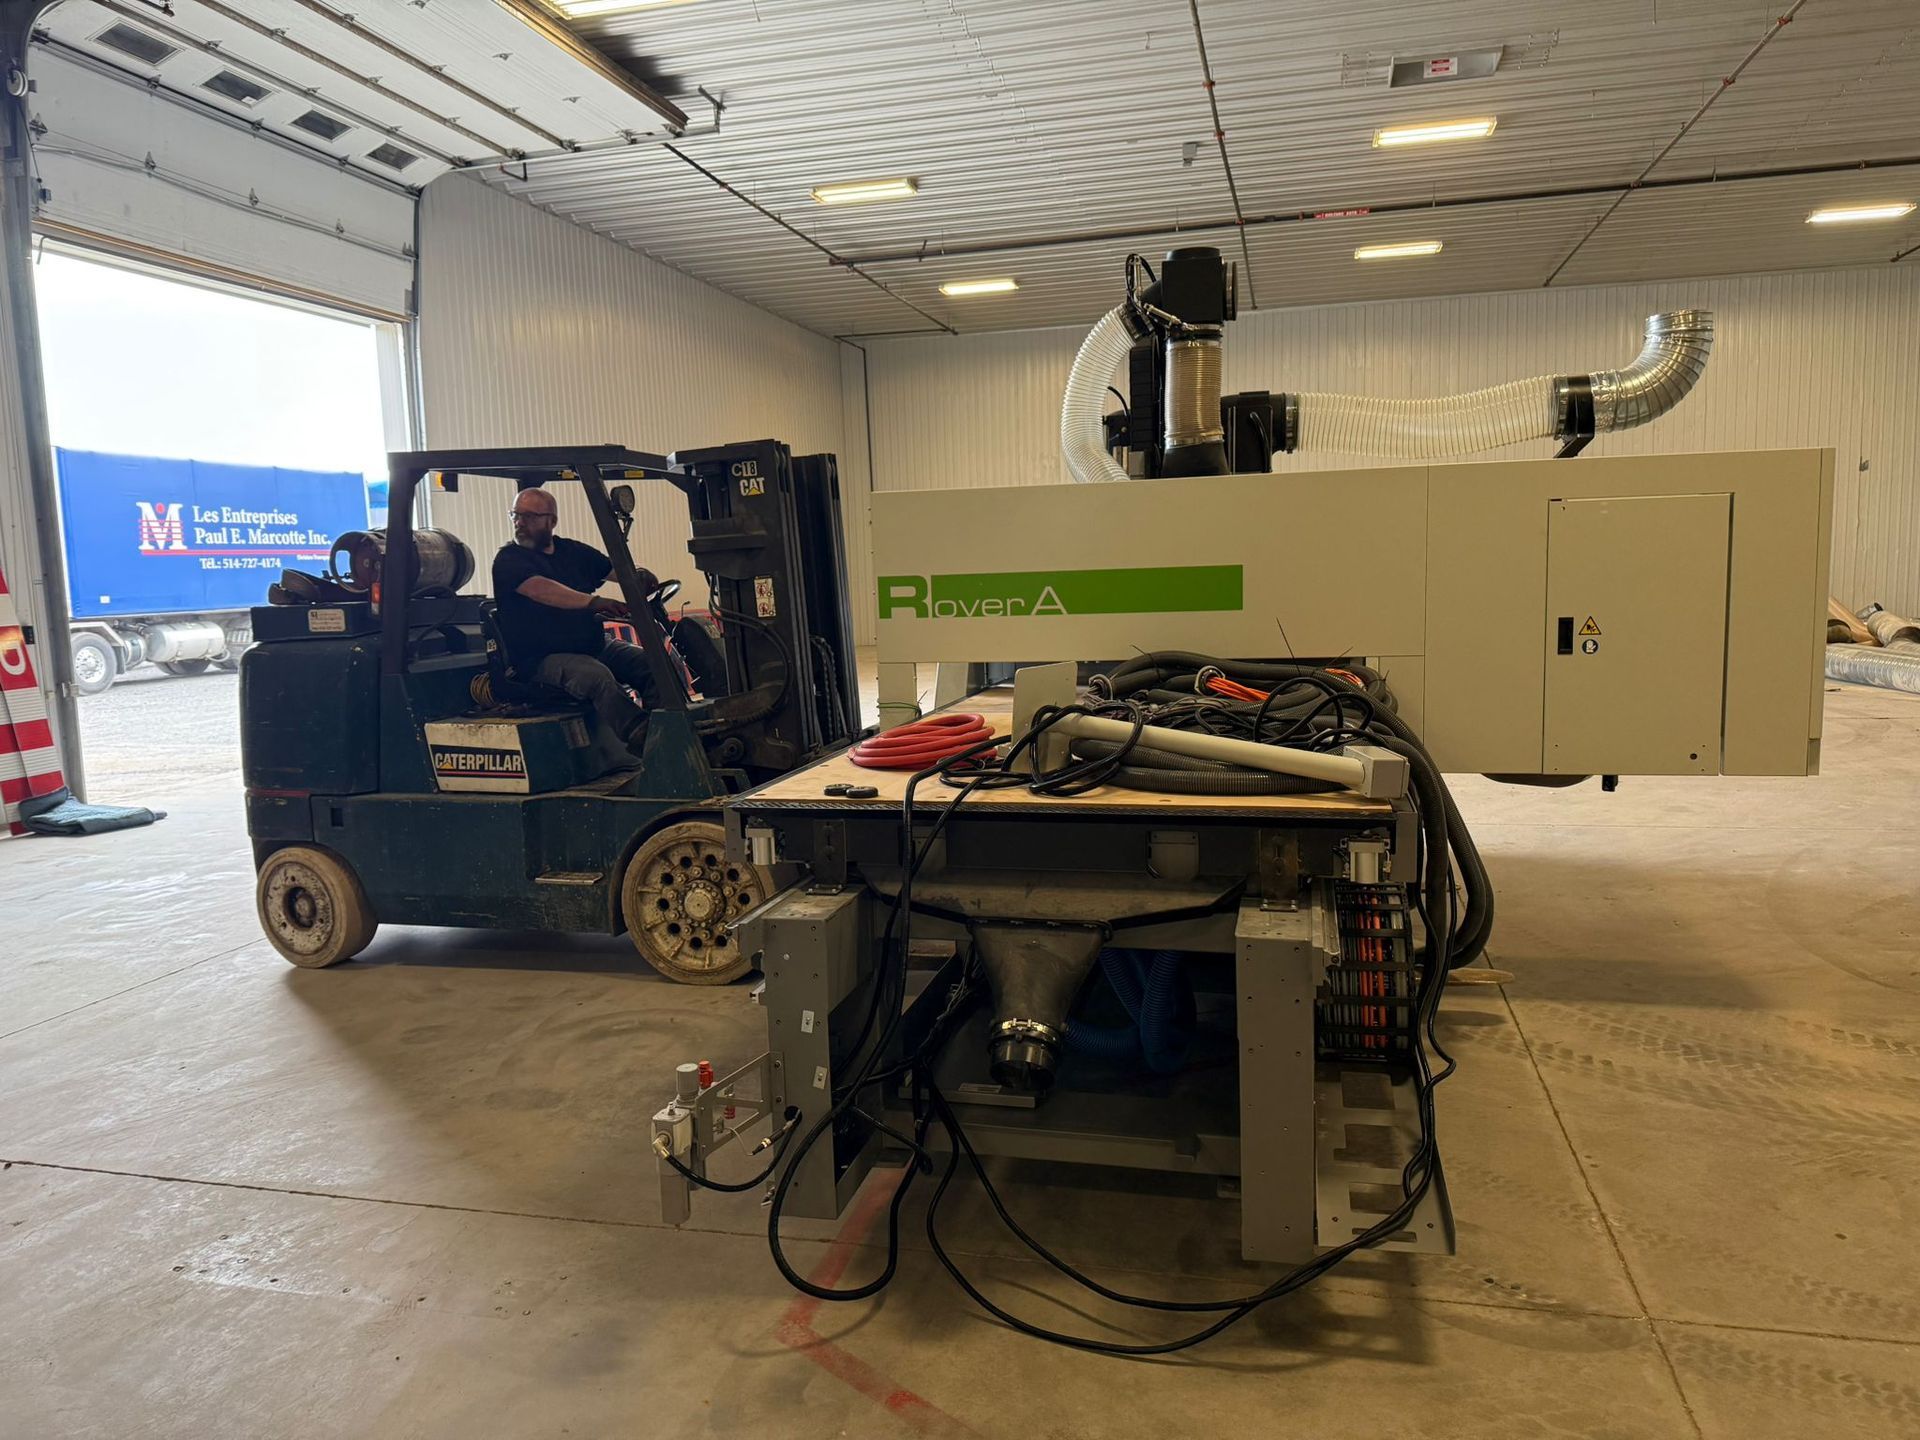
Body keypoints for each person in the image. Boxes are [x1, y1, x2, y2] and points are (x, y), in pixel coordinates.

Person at [491, 486, 663, 750]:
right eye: (516, 515)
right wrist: (595, 602)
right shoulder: (509, 561)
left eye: (530, 516)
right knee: (596, 677)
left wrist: (638, 574)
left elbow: (613, 569)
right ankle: (648, 741)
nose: (520, 523)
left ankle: (666, 726)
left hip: (593, 646)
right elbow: (543, 589)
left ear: (552, 521)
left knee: (652, 662)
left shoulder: (571, 551)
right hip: (540, 659)